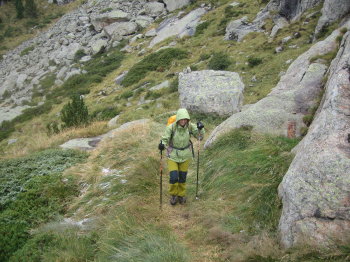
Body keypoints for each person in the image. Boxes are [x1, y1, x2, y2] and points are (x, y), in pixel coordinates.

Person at [159, 108, 205, 205]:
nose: (183, 121)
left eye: (185, 119)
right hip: (172, 156)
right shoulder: (171, 128)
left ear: (187, 119)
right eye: (181, 119)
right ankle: (173, 195)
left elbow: (200, 136)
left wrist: (201, 128)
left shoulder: (190, 127)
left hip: (185, 156)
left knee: (182, 177)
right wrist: (162, 144)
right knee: (174, 177)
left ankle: (181, 195)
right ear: (178, 119)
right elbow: (165, 138)